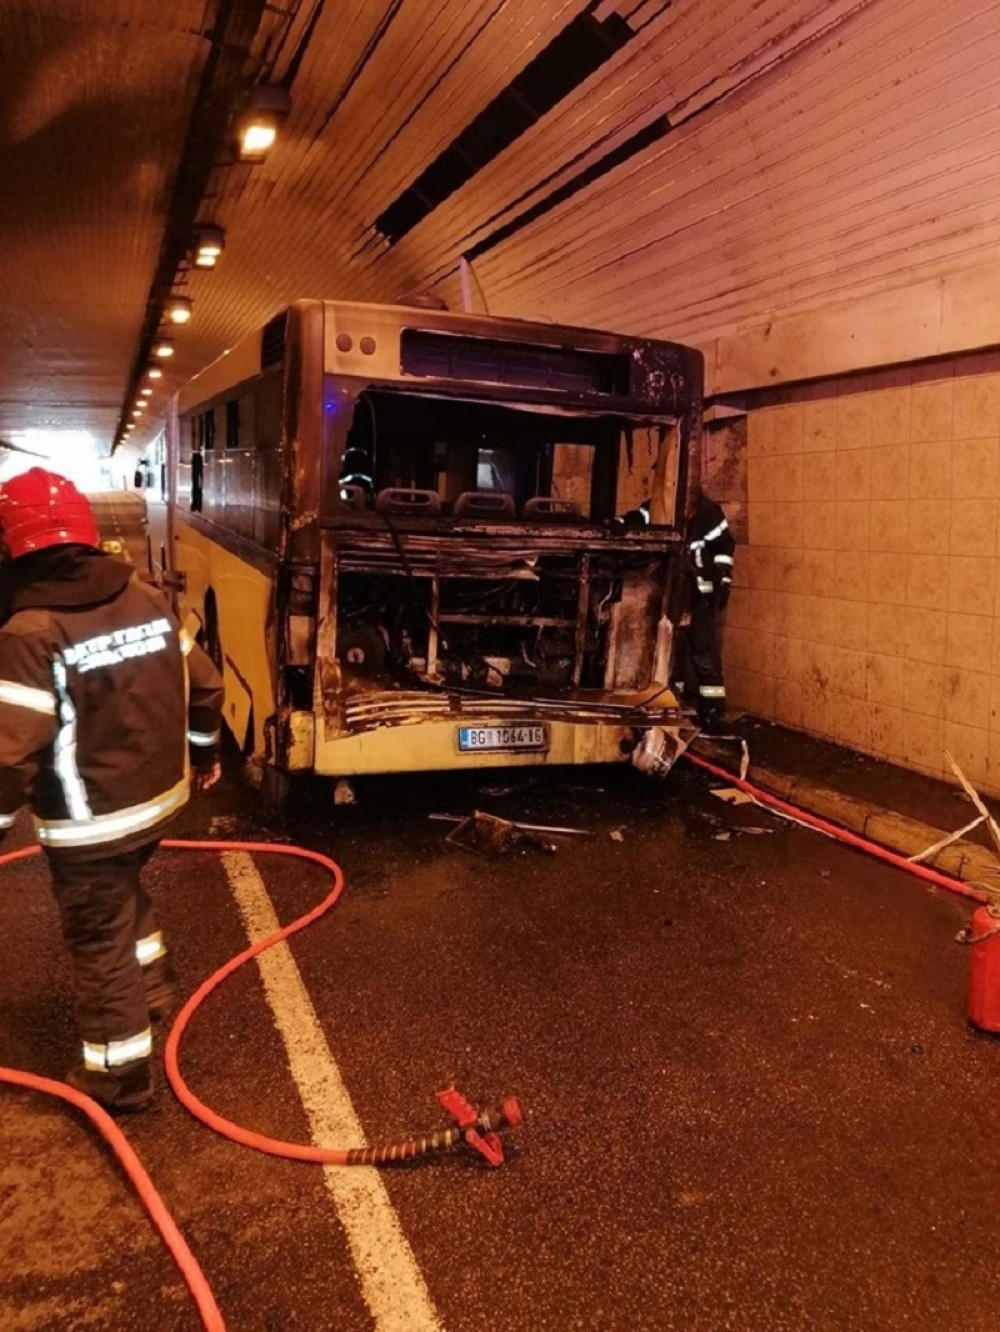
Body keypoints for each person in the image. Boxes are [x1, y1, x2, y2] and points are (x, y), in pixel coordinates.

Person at [0, 468, 223, 1112]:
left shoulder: (29, 633)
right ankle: (152, 989)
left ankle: (119, 1076)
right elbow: (204, 687)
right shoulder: (149, 598)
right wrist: (205, 755)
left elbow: (7, 756)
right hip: (157, 801)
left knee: (97, 937)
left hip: (91, 822)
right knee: (121, 891)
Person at [616, 486, 735, 731]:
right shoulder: (662, 506)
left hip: (700, 596)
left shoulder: (709, 515)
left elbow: (724, 549)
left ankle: (712, 709)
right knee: (672, 649)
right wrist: (617, 523)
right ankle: (672, 701)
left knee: (703, 652)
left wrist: (721, 581)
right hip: (674, 593)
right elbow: (641, 518)